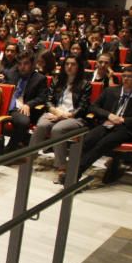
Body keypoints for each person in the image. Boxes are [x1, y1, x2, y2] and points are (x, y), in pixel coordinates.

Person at [77, 65, 132, 181]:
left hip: (126, 129)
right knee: (86, 140)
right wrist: (109, 115)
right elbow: (93, 107)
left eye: (130, 77)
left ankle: (74, 174)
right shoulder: (110, 91)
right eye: (124, 76)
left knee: (102, 144)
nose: (126, 79)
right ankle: (73, 171)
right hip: (108, 123)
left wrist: (125, 120)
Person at [30, 55, 91, 183]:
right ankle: (29, 159)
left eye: (73, 64)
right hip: (55, 113)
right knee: (41, 126)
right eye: (67, 64)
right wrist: (55, 111)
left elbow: (83, 107)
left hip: (74, 117)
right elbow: (48, 100)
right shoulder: (57, 80)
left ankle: (61, 167)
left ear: (79, 67)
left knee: (57, 129)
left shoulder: (85, 84)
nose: (69, 67)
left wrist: (66, 115)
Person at [5, 50, 49, 150]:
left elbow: (42, 97)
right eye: (20, 64)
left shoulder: (40, 79)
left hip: (21, 109)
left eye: (26, 63)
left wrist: (28, 104)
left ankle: (9, 150)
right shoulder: (12, 74)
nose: (22, 67)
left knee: (23, 122)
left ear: (32, 64)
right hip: (7, 106)